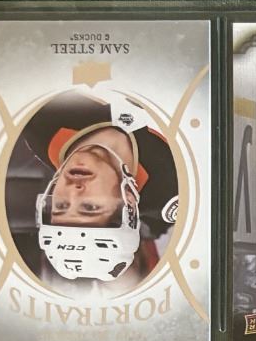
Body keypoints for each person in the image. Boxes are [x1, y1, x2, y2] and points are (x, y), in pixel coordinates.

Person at [18, 89, 179, 283]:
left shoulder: (40, 126)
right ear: (127, 202)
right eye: (90, 207)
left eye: (61, 206)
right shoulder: (176, 184)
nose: (73, 192)